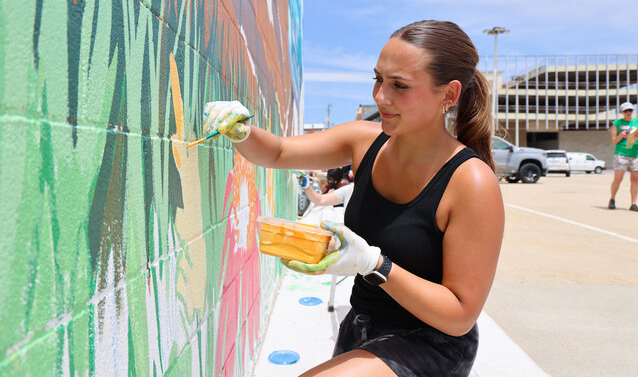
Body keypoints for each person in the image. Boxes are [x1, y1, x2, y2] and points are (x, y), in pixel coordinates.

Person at [202, 20, 504, 377]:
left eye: (399, 86)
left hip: (430, 344)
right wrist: (241, 130)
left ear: (449, 96)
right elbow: (280, 152)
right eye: (378, 79)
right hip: (361, 329)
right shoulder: (364, 141)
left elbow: (460, 316)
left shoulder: (471, 181)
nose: (381, 96)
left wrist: (375, 265)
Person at [608, 102, 638, 212]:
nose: (628, 113)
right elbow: (614, 140)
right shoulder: (617, 123)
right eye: (626, 111)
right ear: (622, 112)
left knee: (635, 180)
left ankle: (633, 204)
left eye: (630, 110)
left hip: (637, 154)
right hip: (621, 154)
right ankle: (612, 198)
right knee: (618, 179)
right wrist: (622, 135)